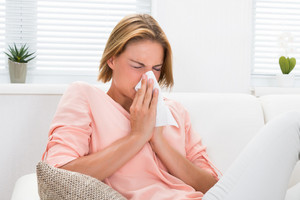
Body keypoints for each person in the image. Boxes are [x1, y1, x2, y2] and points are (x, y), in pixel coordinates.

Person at [42, 14, 300, 200]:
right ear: (112, 59)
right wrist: (136, 137)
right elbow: (59, 175)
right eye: (137, 66)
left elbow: (212, 185)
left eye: (156, 68)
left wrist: (159, 141)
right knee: (292, 125)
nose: (148, 78)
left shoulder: (175, 112)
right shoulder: (85, 97)